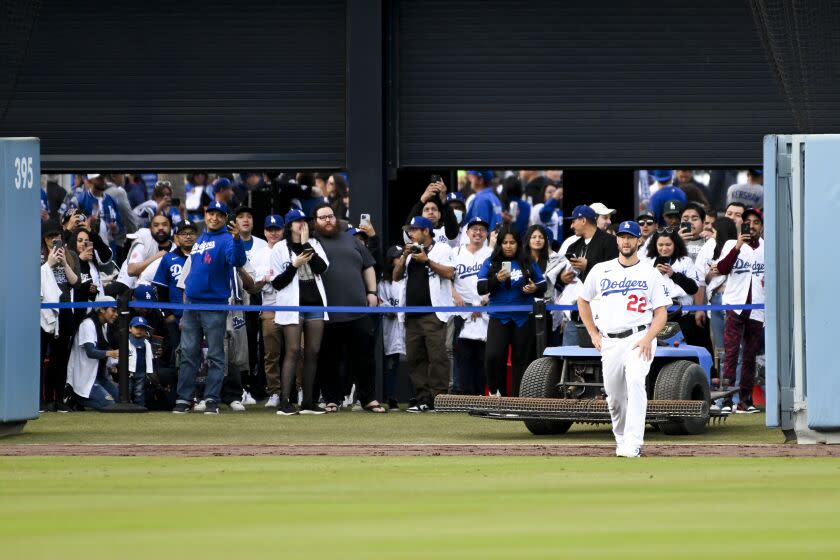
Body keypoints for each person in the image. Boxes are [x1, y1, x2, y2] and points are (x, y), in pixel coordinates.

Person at [577, 221, 671, 458]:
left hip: (639, 336)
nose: (626, 241)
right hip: (609, 340)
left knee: (636, 381)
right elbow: (583, 300)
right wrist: (593, 333)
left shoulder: (650, 272)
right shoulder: (601, 269)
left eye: (631, 237)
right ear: (616, 239)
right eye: (622, 236)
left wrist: (649, 338)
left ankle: (634, 443)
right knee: (615, 397)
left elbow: (661, 313)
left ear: (639, 240)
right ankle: (621, 438)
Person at [172, 201, 247, 415]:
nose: (214, 218)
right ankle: (185, 398)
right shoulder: (201, 238)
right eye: (211, 214)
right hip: (192, 304)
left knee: (215, 355)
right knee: (187, 353)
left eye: (219, 215)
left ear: (225, 218)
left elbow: (237, 260)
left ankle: (212, 399)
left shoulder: (227, 238)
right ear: (206, 215)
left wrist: (237, 239)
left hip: (214, 305)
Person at [312, 203, 385, 413]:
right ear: (315, 221)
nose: (328, 220)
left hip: (358, 310)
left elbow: (368, 265)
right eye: (323, 217)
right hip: (328, 312)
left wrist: (371, 292)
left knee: (364, 357)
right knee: (329, 358)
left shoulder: (351, 239)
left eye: (331, 216)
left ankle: (369, 398)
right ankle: (331, 399)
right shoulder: (312, 242)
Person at [269, 209, 330, 415]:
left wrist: (306, 245)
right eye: (296, 222)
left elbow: (322, 268)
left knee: (313, 352)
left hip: (315, 304)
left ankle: (308, 402)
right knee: (293, 350)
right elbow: (277, 283)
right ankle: (285, 402)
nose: (301, 224)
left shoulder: (314, 244)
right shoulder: (279, 248)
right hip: (291, 304)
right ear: (289, 226)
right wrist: (294, 266)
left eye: (304, 221)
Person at [393, 216, 456, 412]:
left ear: (426, 231)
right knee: (415, 358)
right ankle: (423, 399)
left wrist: (427, 261)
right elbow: (395, 276)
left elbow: (450, 273)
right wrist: (404, 256)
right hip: (411, 313)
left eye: (414, 229)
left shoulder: (443, 249)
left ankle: (440, 399)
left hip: (433, 312)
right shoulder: (411, 251)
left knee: (437, 356)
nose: (410, 233)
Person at [477, 224, 546, 397]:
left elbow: (543, 285)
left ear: (518, 244)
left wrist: (533, 289)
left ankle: (517, 399)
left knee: (520, 361)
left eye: (512, 242)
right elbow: (481, 288)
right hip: (498, 317)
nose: (508, 246)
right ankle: (494, 391)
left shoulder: (527, 261)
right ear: (499, 244)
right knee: (493, 355)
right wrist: (496, 279)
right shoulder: (491, 262)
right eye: (505, 242)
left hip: (523, 318)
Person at [715, 207, 765, 414]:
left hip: (757, 308)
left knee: (750, 356)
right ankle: (726, 400)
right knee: (731, 354)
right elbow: (722, 269)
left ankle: (745, 400)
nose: (751, 226)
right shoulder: (730, 244)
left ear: (761, 226)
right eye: (748, 222)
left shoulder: (766, 247)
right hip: (734, 305)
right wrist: (737, 246)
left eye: (756, 222)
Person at [559, 205, 619, 346]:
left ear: (583, 220)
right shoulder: (572, 246)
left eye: (574, 221)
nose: (571, 225)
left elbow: (616, 271)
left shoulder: (610, 241)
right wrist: (563, 278)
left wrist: (589, 265)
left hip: (604, 313)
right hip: (576, 313)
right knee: (569, 356)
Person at [40, 222, 80, 412]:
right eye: (48, 237)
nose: (52, 240)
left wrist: (63, 263)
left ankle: (59, 398)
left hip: (64, 310)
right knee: (41, 358)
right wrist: (48, 263)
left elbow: (75, 283)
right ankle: (43, 399)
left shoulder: (70, 256)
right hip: (43, 312)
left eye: (55, 236)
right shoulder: (38, 257)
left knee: (61, 358)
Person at [695, 217, 739, 390]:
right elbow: (701, 279)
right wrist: (699, 308)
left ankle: (734, 394)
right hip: (716, 299)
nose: (711, 235)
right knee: (721, 350)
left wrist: (718, 270)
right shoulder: (708, 248)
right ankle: (724, 394)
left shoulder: (739, 247)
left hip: (735, 300)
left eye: (714, 231)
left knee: (734, 349)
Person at [451, 218, 492, 394]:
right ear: (466, 233)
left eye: (482, 229)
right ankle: (465, 395)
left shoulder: (491, 253)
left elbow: (497, 280)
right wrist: (455, 295)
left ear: (487, 234)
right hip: (461, 310)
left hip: (485, 310)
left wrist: (483, 302)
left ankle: (480, 395)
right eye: (474, 229)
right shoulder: (456, 251)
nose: (478, 232)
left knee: (483, 357)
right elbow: (447, 278)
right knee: (463, 356)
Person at [249, 215, 285, 408]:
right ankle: (274, 392)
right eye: (270, 229)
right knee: (271, 352)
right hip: (269, 302)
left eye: (277, 229)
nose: (273, 233)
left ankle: (299, 390)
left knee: (299, 351)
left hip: (292, 303)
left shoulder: (289, 249)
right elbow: (252, 286)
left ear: (283, 230)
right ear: (264, 232)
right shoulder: (258, 254)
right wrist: (263, 280)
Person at [151, 219, 197, 367]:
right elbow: (161, 288)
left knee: (199, 353)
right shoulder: (168, 258)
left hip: (199, 315)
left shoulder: (203, 256)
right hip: (176, 317)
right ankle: (177, 387)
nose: (188, 236)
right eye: (184, 233)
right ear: (176, 237)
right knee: (177, 355)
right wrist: (168, 314)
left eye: (191, 233)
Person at [643, 229, 700, 340]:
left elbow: (693, 288)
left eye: (668, 244)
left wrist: (674, 274)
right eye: (660, 245)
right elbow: (642, 291)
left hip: (681, 314)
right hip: (655, 315)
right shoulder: (647, 263)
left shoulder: (685, 261)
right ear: (655, 245)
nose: (664, 248)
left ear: (675, 244)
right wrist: (655, 273)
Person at [66, 298, 121, 411]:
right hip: (85, 378)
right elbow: (90, 352)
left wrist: (114, 361)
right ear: (102, 309)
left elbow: (104, 353)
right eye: (113, 310)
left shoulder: (103, 326)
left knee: (122, 399)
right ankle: (76, 398)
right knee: (110, 404)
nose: (116, 314)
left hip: (100, 376)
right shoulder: (88, 324)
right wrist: (111, 353)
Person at [379, 245, 407, 409]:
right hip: (391, 327)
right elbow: (383, 304)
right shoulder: (384, 281)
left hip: (407, 327)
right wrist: (396, 312)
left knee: (413, 363)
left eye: (402, 256)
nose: (400, 259)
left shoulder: (409, 276)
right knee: (391, 365)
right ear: (391, 261)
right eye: (397, 257)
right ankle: (392, 398)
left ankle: (414, 397)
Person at [404, 179, 460, 245]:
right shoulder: (415, 233)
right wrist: (422, 200)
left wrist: (444, 201)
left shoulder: (447, 230)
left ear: (439, 215)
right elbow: (408, 227)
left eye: (434, 209)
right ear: (421, 215)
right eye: (426, 209)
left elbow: (452, 233)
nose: (430, 212)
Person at [127, 316, 154, 407]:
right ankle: (126, 407)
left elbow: (149, 358)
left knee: (139, 392)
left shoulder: (147, 343)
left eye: (142, 328)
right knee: (127, 390)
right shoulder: (126, 341)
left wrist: (149, 372)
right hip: (128, 372)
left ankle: (140, 408)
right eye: (136, 327)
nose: (139, 330)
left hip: (141, 372)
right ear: (130, 328)